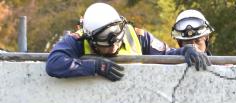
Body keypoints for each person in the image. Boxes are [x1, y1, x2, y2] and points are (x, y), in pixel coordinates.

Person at [46, 1, 210, 80]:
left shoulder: (138, 36)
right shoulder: (78, 40)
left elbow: (167, 54)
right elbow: (54, 63)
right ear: (92, 40)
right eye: (106, 46)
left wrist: (186, 50)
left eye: (117, 42)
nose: (113, 49)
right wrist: (96, 66)